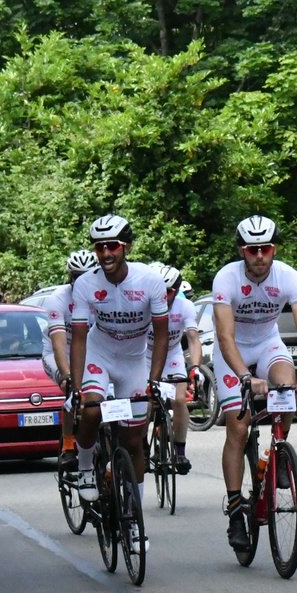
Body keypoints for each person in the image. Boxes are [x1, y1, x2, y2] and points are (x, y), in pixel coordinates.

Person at [207, 215, 297, 550]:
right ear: (242, 250)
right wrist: (246, 376)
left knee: (286, 388)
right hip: (233, 351)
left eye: (266, 248)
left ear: (274, 248)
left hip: (268, 343)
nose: (259, 256)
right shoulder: (226, 278)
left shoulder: (287, 277)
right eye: (252, 249)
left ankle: (275, 455)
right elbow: (225, 338)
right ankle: (234, 509)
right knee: (238, 427)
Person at [67, 215, 169, 536]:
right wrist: (76, 384)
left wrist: (153, 381)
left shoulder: (150, 281)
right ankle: (85, 466)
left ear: (127, 247)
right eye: (100, 247)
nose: (106, 253)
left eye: (112, 246)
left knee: (134, 442)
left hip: (135, 361)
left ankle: (134, 518)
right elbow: (80, 337)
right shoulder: (86, 284)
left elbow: (162, 335)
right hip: (100, 354)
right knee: (92, 408)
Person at [41, 249, 97, 468]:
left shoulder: (101, 295)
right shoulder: (58, 300)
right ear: (70, 277)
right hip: (60, 351)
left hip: (89, 350)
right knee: (70, 387)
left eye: (88, 276)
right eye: (77, 277)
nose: (82, 281)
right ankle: (68, 444)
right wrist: (67, 374)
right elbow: (57, 341)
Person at [148, 263, 203, 474]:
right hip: (146, 356)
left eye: (170, 291)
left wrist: (196, 367)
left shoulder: (185, 307)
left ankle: (180, 452)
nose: (164, 296)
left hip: (172, 355)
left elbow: (193, 338)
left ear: (177, 291)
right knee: (144, 404)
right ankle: (143, 450)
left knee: (180, 400)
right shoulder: (144, 306)